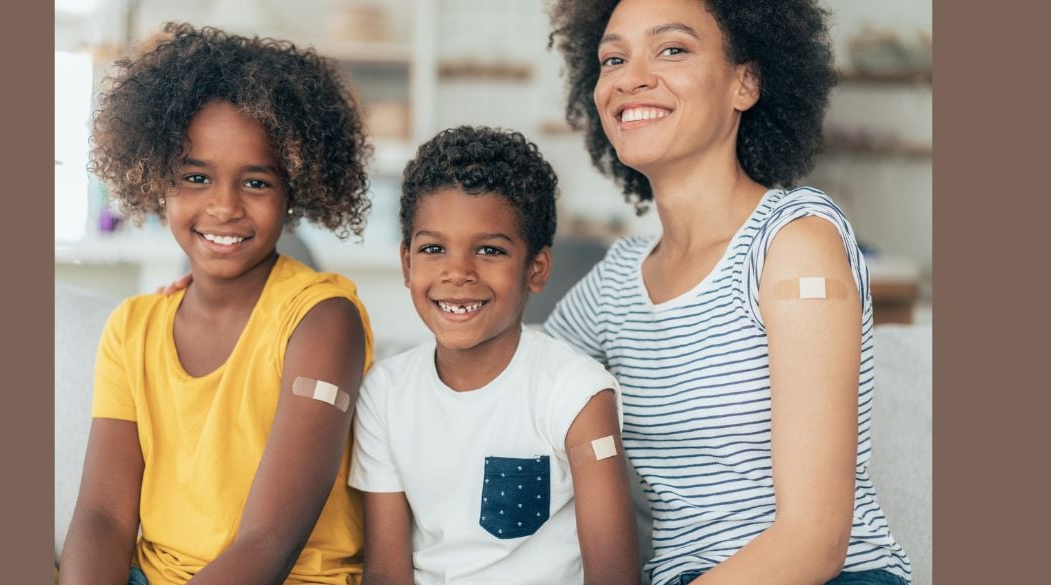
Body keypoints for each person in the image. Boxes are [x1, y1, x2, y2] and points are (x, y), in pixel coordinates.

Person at [543, 1, 912, 584]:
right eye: (613, 58)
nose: (630, 77)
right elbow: (512, 381)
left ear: (746, 81)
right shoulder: (615, 283)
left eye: (672, 49)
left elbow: (812, 540)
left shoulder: (793, 240)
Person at [60, 23, 375, 585]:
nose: (224, 206)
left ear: (294, 189)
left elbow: (269, 544)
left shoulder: (324, 322)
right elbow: (103, 517)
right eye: (196, 177)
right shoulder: (132, 328)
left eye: (256, 183)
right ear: (156, 179)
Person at [351, 127, 639, 585]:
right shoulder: (384, 394)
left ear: (536, 269)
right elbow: (386, 571)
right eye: (433, 249)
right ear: (407, 264)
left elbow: (615, 575)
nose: (458, 272)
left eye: (489, 250)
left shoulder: (576, 393)